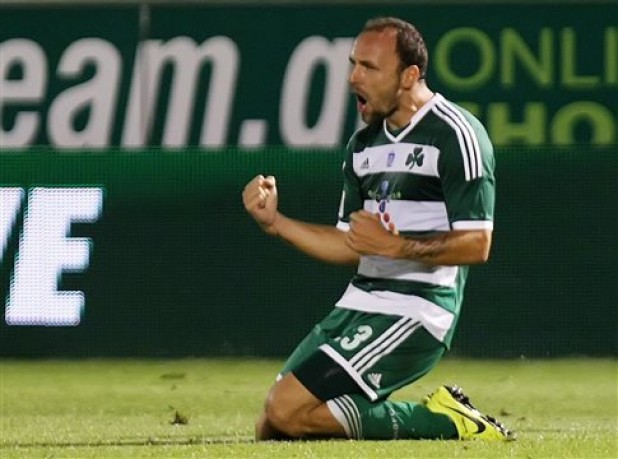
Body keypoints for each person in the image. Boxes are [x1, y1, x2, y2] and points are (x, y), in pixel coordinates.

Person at [242, 16, 514, 442]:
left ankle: (449, 422)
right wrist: (276, 223)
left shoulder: (456, 135)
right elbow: (348, 245)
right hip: (359, 303)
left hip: (418, 308)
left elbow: (477, 244)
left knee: (287, 410)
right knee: (273, 426)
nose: (353, 77)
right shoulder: (364, 145)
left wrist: (397, 246)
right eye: (353, 64)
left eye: (369, 67)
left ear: (409, 76)